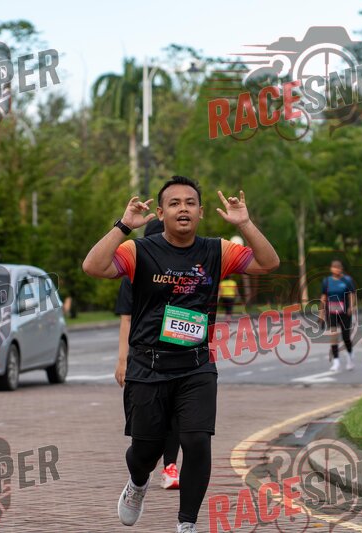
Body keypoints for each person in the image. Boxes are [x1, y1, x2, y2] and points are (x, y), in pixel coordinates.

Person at [82, 176, 279, 533]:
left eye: (190, 203)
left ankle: (186, 524)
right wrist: (123, 225)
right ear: (160, 213)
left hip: (196, 365)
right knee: (146, 451)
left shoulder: (216, 250)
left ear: (201, 212)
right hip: (148, 366)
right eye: (174, 203)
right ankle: (137, 483)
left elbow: (269, 262)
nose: (183, 209)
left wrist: (245, 224)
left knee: (196, 441)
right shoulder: (139, 251)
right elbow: (93, 267)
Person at [115, 218, 181, 490]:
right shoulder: (133, 275)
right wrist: (123, 361)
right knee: (146, 427)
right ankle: (142, 469)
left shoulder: (183, 274)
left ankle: (170, 466)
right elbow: (126, 319)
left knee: (175, 416)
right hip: (143, 360)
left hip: (178, 358)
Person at [318, 259, 357, 372]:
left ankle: (350, 357)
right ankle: (336, 361)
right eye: (334, 267)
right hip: (331, 312)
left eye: (338, 268)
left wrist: (351, 306)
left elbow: (352, 294)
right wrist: (321, 314)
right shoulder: (327, 281)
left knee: (346, 336)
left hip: (345, 312)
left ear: (341, 269)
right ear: (331, 269)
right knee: (333, 336)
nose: (336, 270)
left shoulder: (347, 280)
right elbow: (323, 297)